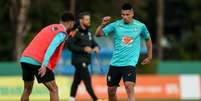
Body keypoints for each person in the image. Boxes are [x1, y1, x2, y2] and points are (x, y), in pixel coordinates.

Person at [95, 3, 153, 101]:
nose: (125, 17)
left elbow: (148, 39)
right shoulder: (116, 25)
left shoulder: (140, 26)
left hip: (130, 63)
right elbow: (98, 34)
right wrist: (102, 25)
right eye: (123, 15)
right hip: (115, 63)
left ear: (132, 14)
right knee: (111, 91)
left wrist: (150, 55)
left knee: (129, 86)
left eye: (127, 14)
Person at [19, 12, 75, 101]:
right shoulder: (62, 33)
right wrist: (44, 64)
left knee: (27, 89)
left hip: (25, 58)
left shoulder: (50, 27)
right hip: (38, 60)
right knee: (54, 89)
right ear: (71, 23)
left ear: (61, 21)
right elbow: (51, 47)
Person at [67, 12, 100, 101]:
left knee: (76, 82)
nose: (89, 21)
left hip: (86, 60)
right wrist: (83, 49)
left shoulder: (88, 33)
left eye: (89, 19)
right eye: (87, 19)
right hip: (79, 61)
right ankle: (96, 99)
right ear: (81, 20)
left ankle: (71, 99)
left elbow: (94, 44)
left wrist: (97, 47)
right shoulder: (75, 31)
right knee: (87, 80)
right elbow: (69, 45)